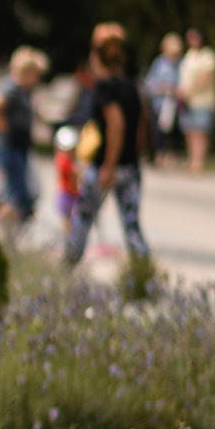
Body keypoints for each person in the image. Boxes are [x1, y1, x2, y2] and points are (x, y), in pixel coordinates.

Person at [63, 29, 151, 268]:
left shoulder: (104, 87)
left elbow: (116, 125)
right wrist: (135, 154)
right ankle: (144, 271)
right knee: (131, 223)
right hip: (131, 166)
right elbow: (142, 124)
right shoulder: (134, 86)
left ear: (96, 56)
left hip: (105, 166)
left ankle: (68, 265)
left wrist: (109, 167)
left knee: (82, 216)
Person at [0, 48, 45, 229]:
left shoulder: (22, 90)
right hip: (9, 147)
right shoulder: (12, 87)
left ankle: (9, 231)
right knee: (17, 195)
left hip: (17, 148)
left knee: (25, 194)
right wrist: (1, 122)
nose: (38, 79)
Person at [176, 28, 215, 171]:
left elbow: (206, 76)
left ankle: (199, 161)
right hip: (188, 100)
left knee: (200, 131)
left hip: (202, 100)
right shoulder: (189, 55)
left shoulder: (207, 55)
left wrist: (189, 90)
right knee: (190, 130)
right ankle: (192, 159)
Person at [143, 34, 184, 165]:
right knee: (158, 130)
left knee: (174, 130)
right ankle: (159, 154)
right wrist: (162, 88)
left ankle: (171, 154)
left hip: (176, 103)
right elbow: (150, 83)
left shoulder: (182, 63)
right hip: (160, 103)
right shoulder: (159, 63)